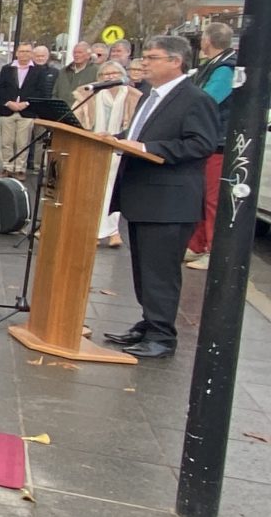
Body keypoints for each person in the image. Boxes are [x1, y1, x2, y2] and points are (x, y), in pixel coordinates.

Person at [102, 35, 220, 359]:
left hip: (169, 203)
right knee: (143, 269)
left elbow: (201, 144)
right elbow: (141, 136)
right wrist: (117, 140)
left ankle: (162, 336)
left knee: (160, 272)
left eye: (153, 58)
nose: (145, 63)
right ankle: (148, 323)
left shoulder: (196, 99)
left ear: (175, 61)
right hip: (141, 198)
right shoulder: (149, 97)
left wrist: (147, 148)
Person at [183, 21, 238, 270]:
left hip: (218, 143)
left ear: (208, 40)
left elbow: (208, 100)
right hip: (210, 139)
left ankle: (211, 250)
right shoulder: (214, 65)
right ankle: (196, 245)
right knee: (201, 196)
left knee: (212, 198)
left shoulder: (226, 68)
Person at [73, 60, 141, 248]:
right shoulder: (89, 94)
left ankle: (111, 232)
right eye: (105, 75)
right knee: (95, 190)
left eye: (114, 74)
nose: (109, 77)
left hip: (120, 147)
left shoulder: (134, 96)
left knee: (112, 190)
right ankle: (98, 230)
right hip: (93, 146)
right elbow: (75, 117)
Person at [0, 42, 42, 180]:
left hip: (26, 112)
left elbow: (39, 91)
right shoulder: (7, 69)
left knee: (23, 142)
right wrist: (9, 102)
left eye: (27, 51)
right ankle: (7, 167)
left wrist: (25, 103)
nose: (24, 54)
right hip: (7, 110)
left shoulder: (38, 71)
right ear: (16, 53)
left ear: (31, 53)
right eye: (22, 51)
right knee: (6, 141)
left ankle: (20, 169)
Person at [54, 39, 98, 105]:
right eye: (75, 52)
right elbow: (55, 93)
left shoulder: (96, 71)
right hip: (62, 111)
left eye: (80, 52)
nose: (76, 55)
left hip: (83, 112)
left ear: (88, 55)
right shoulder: (63, 71)